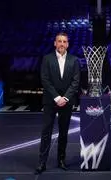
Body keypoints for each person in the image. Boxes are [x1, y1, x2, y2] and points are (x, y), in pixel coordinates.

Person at [34, 32, 80, 174]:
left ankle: (61, 160)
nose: (61, 44)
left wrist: (65, 98)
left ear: (67, 44)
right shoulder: (47, 59)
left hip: (66, 102)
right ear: (55, 43)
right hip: (50, 101)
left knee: (63, 133)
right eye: (59, 41)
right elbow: (45, 80)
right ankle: (42, 162)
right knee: (46, 132)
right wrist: (56, 97)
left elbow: (75, 81)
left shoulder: (74, 60)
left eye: (64, 41)